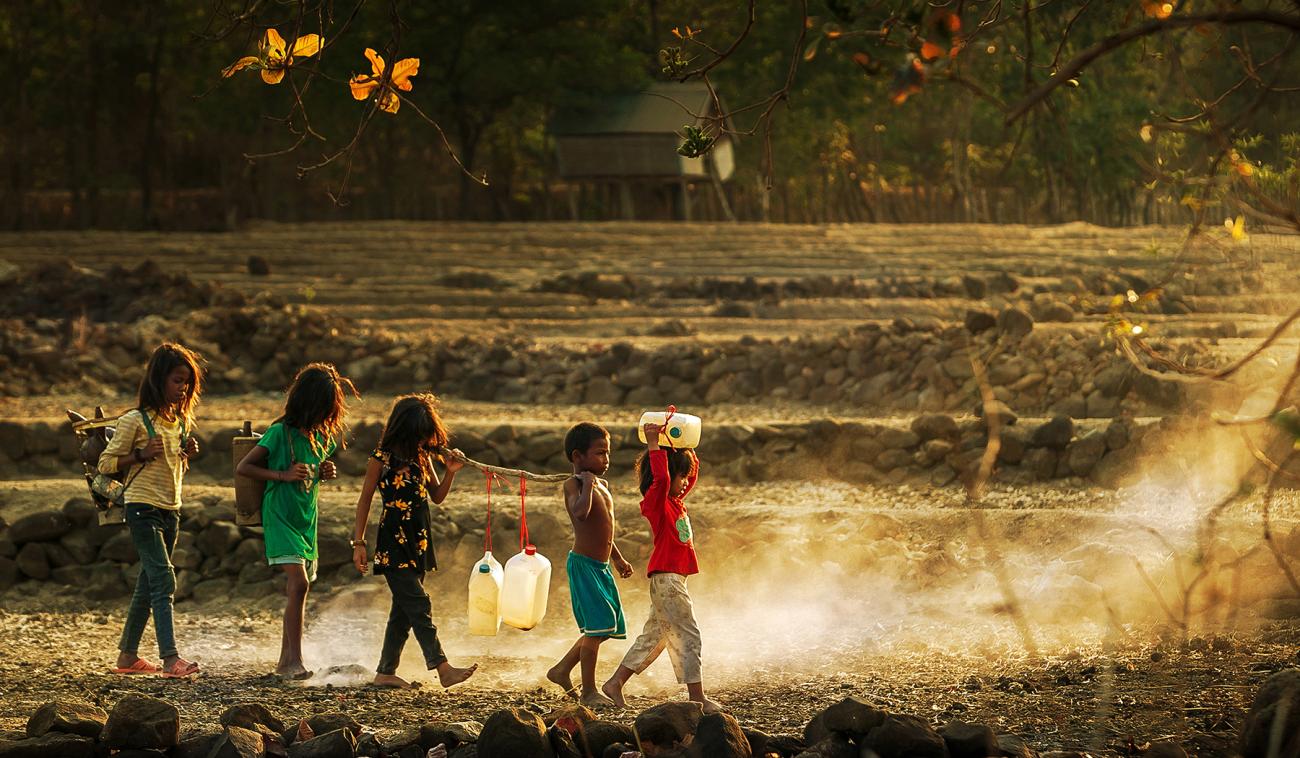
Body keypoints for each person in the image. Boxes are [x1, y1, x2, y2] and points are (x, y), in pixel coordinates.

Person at [350, 393, 478, 688]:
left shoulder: (423, 457)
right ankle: (442, 667)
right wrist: (358, 543)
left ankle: (385, 671)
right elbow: (364, 500)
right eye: (418, 435)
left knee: (403, 610)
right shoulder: (380, 459)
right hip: (393, 542)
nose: (423, 440)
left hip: (419, 541)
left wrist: (451, 473)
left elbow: (438, 497)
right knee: (418, 604)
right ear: (404, 430)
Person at [236, 362, 354, 679]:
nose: (325, 417)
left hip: (306, 517)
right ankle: (292, 661)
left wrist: (325, 472)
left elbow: (316, 469)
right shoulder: (279, 434)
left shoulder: (321, 437)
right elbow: (244, 468)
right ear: (307, 404)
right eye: (321, 409)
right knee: (299, 584)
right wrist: (282, 475)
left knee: (300, 588)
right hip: (279, 514)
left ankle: (286, 661)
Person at [98, 342, 204, 678]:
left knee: (148, 582)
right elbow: (105, 464)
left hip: (171, 508)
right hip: (142, 507)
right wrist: (140, 455)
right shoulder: (135, 420)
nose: (182, 388)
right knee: (163, 578)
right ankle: (171, 658)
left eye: (186, 382)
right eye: (177, 380)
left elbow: (174, 467)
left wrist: (186, 453)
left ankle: (128, 657)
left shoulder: (179, 422)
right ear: (159, 380)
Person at [602, 421, 719, 713]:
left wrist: (686, 446)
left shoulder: (676, 502)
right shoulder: (657, 501)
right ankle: (697, 697)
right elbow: (664, 478)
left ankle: (615, 682)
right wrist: (655, 446)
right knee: (688, 633)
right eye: (680, 476)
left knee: (656, 635)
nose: (683, 482)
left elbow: (687, 479)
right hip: (667, 580)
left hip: (672, 579)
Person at [546, 422, 634, 707]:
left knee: (605, 626)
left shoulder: (603, 485)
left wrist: (617, 558)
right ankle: (588, 691)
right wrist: (586, 486)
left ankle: (561, 670)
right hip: (583, 566)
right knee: (597, 629)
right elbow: (581, 514)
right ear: (577, 457)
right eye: (599, 454)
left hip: (601, 566)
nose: (605, 460)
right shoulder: (573, 484)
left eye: (607, 454)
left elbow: (604, 529)